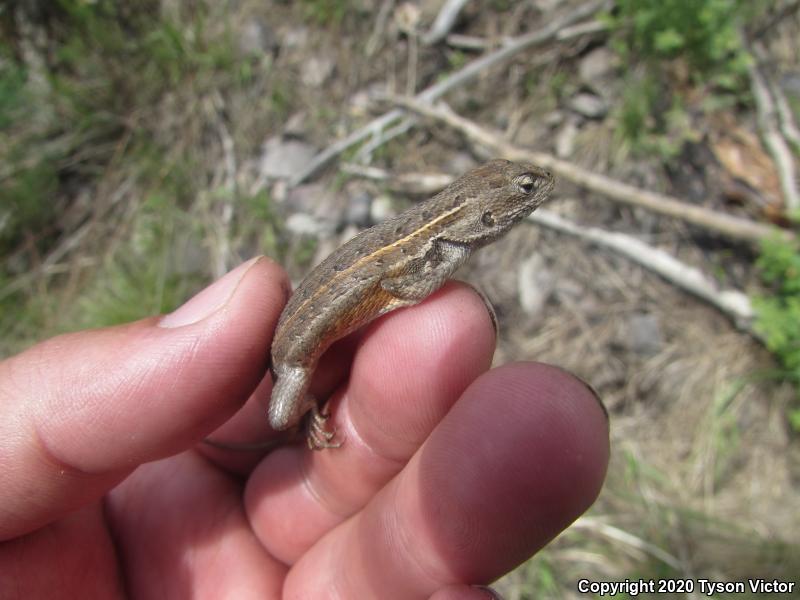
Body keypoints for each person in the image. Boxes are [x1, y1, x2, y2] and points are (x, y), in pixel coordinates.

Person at [0, 256, 609, 598]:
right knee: (277, 411)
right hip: (293, 354)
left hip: (319, 321)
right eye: (524, 193)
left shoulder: (433, 238)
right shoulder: (430, 252)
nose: (534, 196)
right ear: (486, 218)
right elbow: (401, 282)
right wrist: (309, 414)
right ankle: (307, 416)